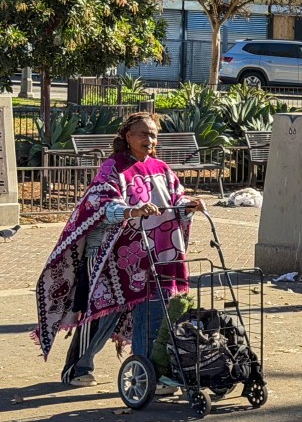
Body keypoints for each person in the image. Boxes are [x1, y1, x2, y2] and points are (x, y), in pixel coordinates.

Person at [33, 112, 205, 388]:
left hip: (156, 254)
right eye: (142, 133)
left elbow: (176, 197)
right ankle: (77, 368)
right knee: (103, 310)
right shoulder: (113, 166)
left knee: (152, 314)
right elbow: (101, 202)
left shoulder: (162, 168)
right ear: (127, 136)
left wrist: (188, 205)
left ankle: (147, 373)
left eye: (152, 134)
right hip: (110, 254)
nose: (149, 139)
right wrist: (130, 211)